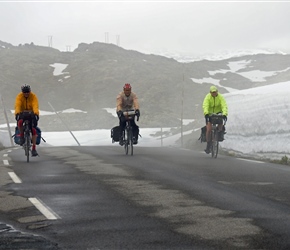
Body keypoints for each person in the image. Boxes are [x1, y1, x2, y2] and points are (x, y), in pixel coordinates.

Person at [14, 84, 40, 156]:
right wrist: (17, 114)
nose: (26, 93)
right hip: (22, 113)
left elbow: (35, 105)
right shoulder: (19, 96)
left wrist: (36, 114)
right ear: (22, 92)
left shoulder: (33, 96)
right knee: (19, 122)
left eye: (27, 92)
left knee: (33, 129)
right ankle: (22, 135)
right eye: (24, 92)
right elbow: (17, 105)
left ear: (30, 91)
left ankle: (34, 148)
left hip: (31, 113)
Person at [202, 85, 228, 154]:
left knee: (220, 125)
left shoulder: (220, 97)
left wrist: (225, 114)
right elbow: (205, 105)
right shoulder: (207, 97)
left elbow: (224, 105)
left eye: (215, 92)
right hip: (210, 114)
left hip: (218, 113)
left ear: (217, 92)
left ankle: (218, 135)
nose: (214, 93)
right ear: (210, 92)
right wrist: (206, 113)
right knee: (209, 129)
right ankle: (208, 145)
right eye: (212, 92)